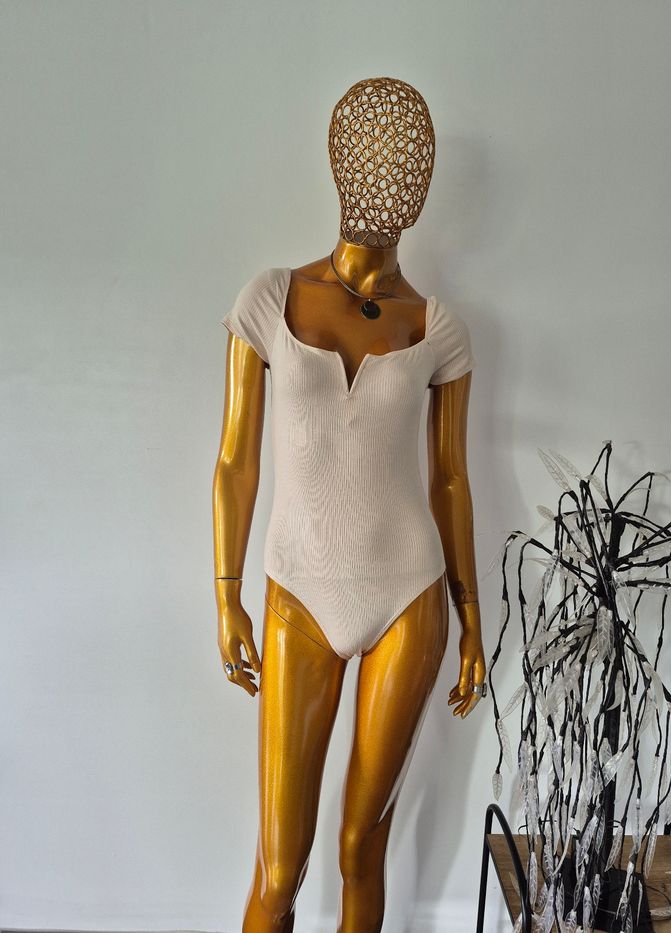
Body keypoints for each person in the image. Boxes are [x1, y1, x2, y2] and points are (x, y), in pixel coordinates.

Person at [212, 76, 486, 932]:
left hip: (409, 594)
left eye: (407, 165)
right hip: (296, 591)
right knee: (278, 870)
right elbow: (234, 460)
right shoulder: (270, 299)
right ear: (341, 161)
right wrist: (225, 592)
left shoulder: (438, 327)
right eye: (374, 156)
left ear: (424, 185)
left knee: (362, 845)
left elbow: (450, 478)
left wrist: (471, 617)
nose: (388, 179)